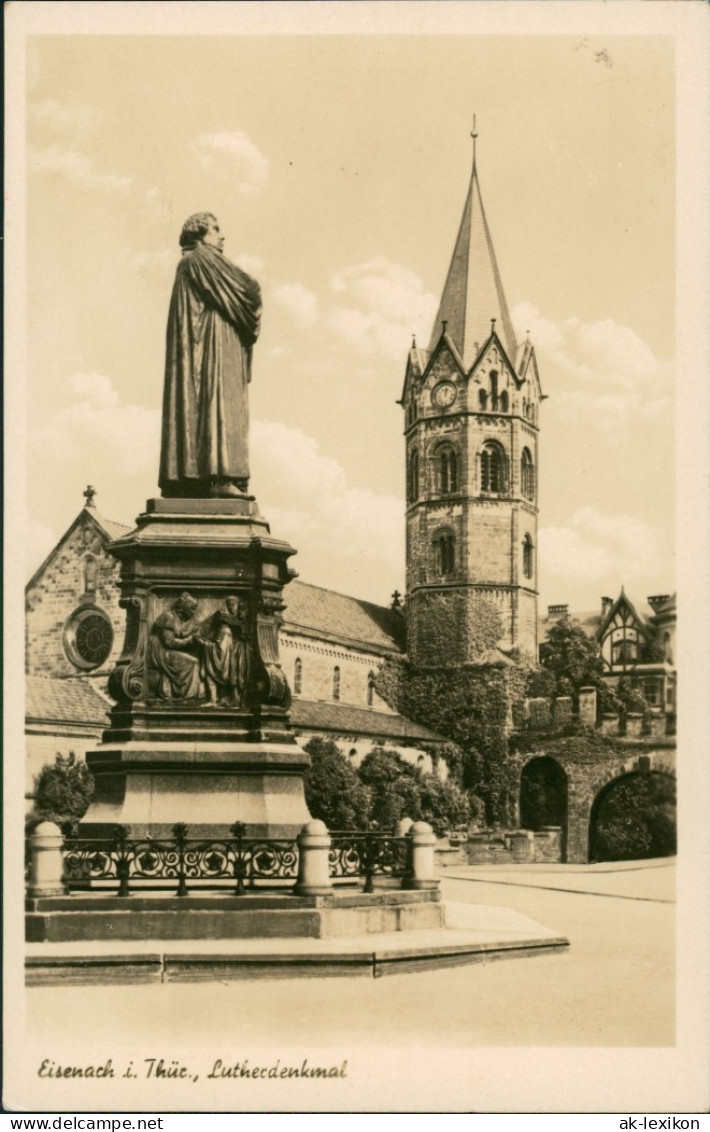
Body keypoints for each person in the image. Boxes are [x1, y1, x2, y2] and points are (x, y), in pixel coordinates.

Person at [158, 212, 262, 499]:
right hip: (213, 348)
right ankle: (219, 476)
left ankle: (192, 478)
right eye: (215, 230)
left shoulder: (187, 263)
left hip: (205, 345)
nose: (221, 236)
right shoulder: (201, 258)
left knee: (201, 408)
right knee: (218, 402)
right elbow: (248, 289)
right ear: (199, 234)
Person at [147, 592, 203, 700]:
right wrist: (189, 640)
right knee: (193, 662)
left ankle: (186, 693)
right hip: (160, 652)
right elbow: (169, 642)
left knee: (198, 658)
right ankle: (186, 696)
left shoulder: (180, 620)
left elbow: (182, 634)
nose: (194, 612)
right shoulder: (168, 617)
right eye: (192, 608)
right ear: (183, 608)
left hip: (168, 650)